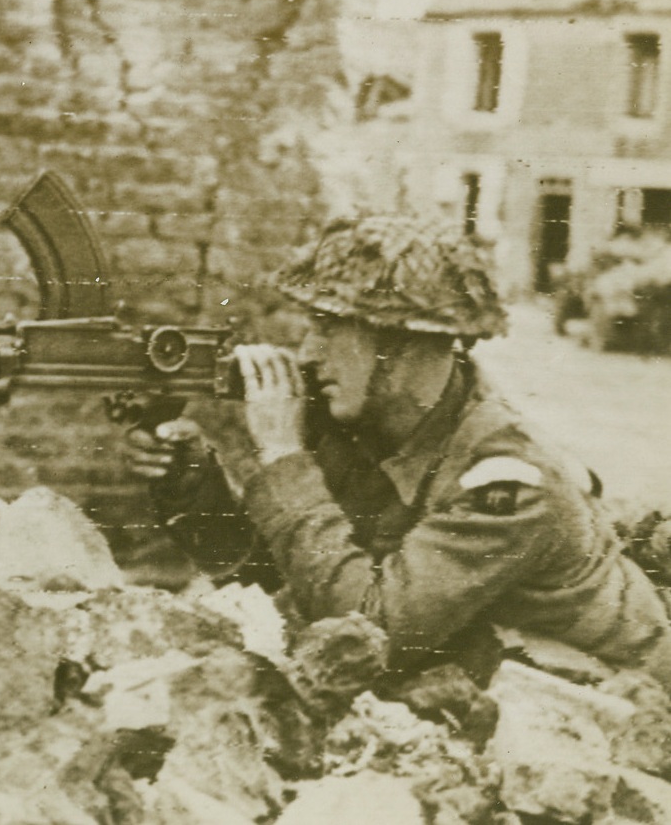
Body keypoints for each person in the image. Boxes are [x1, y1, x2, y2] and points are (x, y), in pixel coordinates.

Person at [131, 214, 671, 687]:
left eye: (328, 330)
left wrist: (283, 456)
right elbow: (279, 582)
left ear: (406, 344)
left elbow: (368, 633)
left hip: (606, 703)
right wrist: (190, 479)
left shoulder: (509, 483)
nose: (308, 353)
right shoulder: (369, 430)